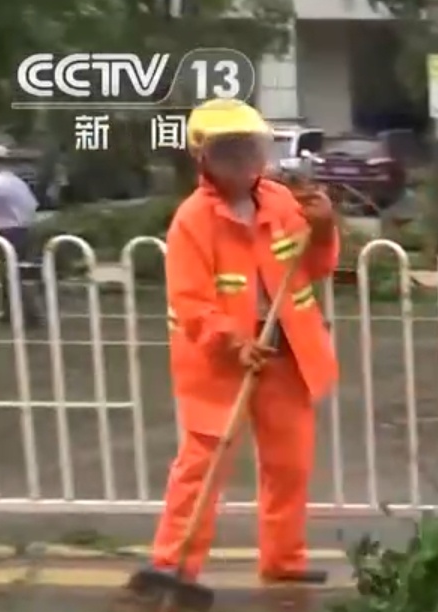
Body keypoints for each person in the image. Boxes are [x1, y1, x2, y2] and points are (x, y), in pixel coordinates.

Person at [144, 99, 340, 585]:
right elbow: (190, 302)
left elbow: (315, 267)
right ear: (202, 157)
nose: (241, 162)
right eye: (228, 151)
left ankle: (283, 560)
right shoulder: (192, 220)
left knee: (289, 463)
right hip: (220, 358)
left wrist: (324, 228)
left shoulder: (278, 201)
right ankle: (173, 566)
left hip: (284, 348)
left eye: (249, 149)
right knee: (200, 467)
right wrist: (233, 342)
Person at [0, 144, 42, 327]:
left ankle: (28, 315)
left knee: (11, 274)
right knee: (18, 273)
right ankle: (11, 312)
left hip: (6, 233)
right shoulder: (18, 182)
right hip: (24, 230)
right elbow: (33, 206)